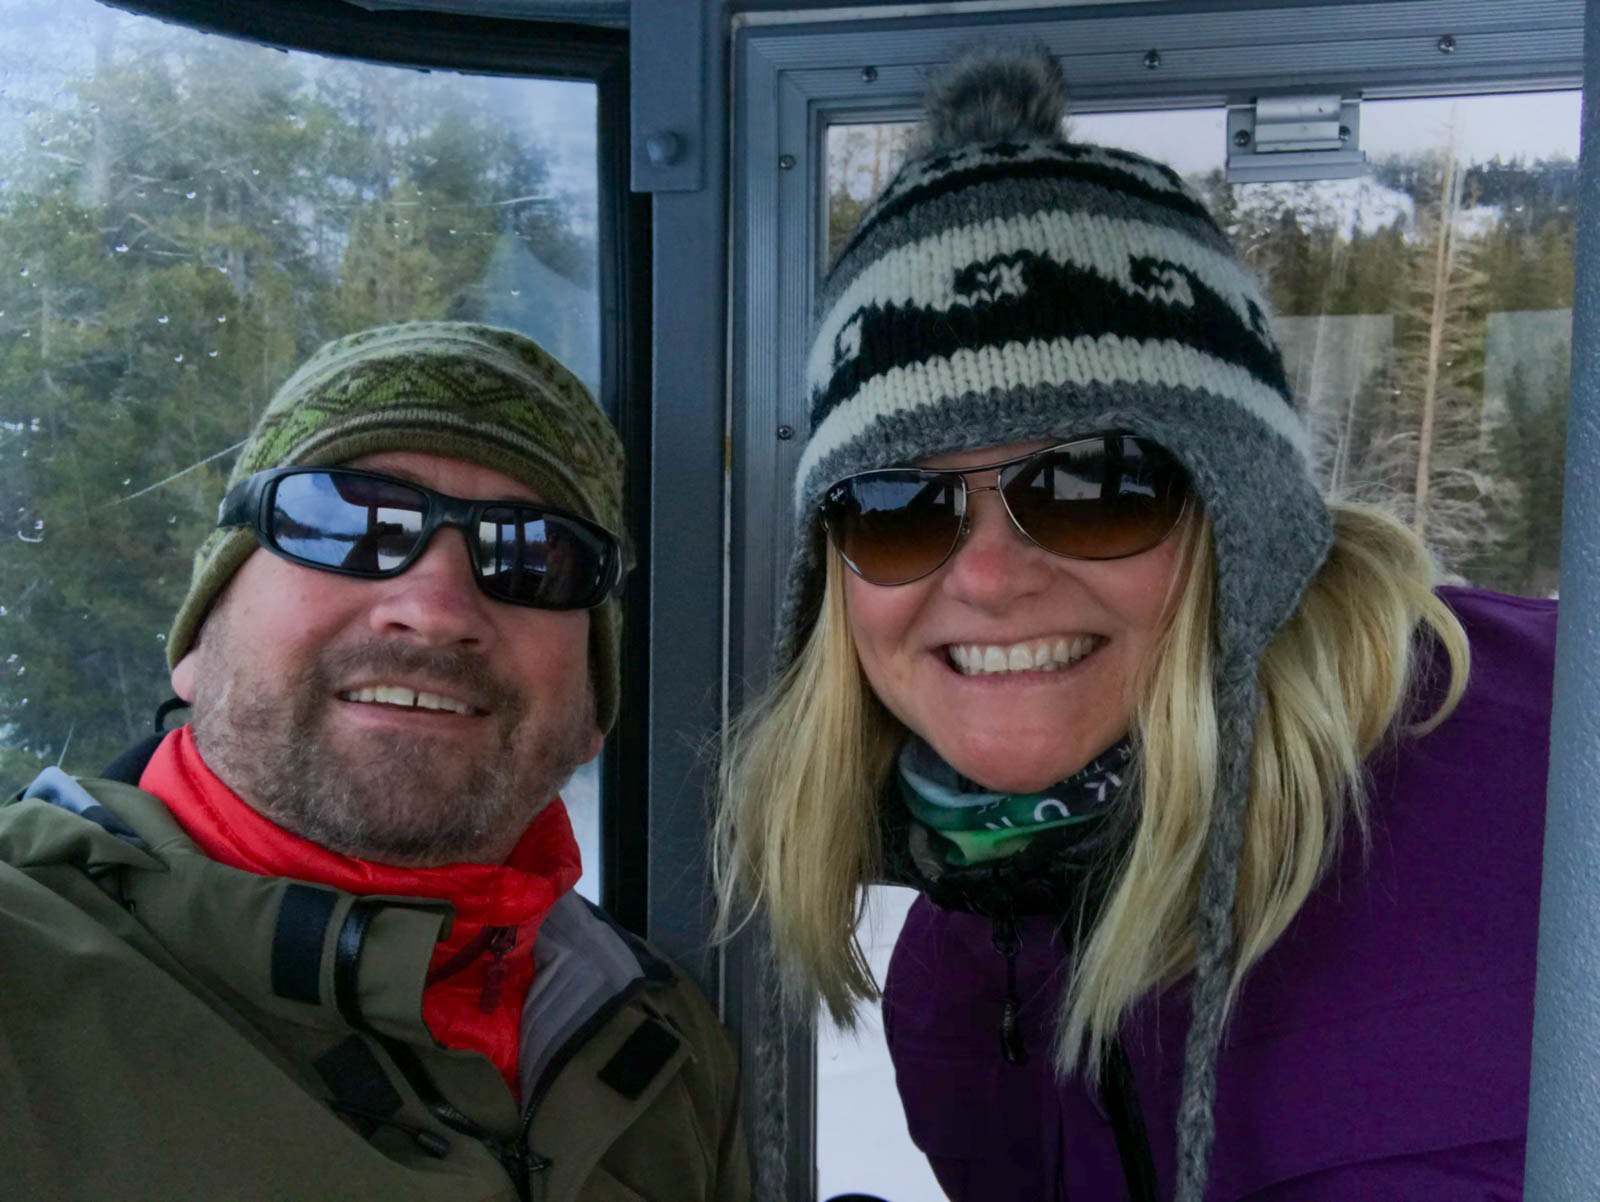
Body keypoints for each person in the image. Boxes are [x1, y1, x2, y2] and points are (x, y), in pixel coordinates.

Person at [715, 47, 1554, 1202]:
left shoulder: (1547, 795)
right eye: (899, 505)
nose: (989, 576)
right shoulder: (972, 964)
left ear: (1243, 513)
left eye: (1093, 483)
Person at [1, 322, 749, 1202]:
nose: (435, 609)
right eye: (347, 524)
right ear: (199, 634)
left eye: (532, 557)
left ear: (592, 706)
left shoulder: (661, 1043)